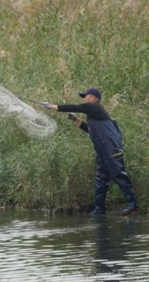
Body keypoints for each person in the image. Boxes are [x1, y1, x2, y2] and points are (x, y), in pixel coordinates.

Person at [41, 88, 139, 216]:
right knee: (101, 178)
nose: (85, 99)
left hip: (110, 147)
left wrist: (52, 106)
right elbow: (89, 129)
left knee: (117, 172)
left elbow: (75, 107)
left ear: (93, 98)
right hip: (102, 149)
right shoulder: (94, 114)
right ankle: (99, 209)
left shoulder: (95, 107)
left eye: (86, 96)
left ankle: (133, 203)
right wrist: (76, 120)